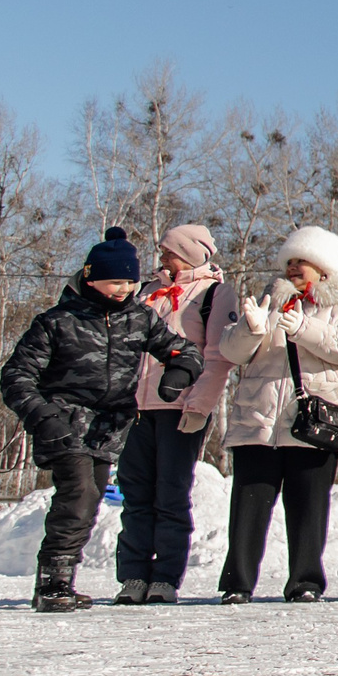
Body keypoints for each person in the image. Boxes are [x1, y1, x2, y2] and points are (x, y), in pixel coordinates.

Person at [0, 228, 204, 611]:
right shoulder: (57, 322)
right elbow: (15, 377)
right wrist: (44, 417)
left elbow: (184, 350)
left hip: (110, 428)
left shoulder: (139, 318)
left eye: (130, 281)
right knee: (78, 496)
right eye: (115, 282)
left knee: (89, 502)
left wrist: (179, 372)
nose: (125, 289)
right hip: (63, 424)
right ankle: (52, 585)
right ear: (91, 278)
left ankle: (60, 581)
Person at [216, 227, 338, 602]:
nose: (294, 267)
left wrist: (303, 327)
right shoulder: (269, 300)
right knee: (248, 507)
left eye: (303, 261)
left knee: (308, 508)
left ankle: (305, 582)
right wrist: (250, 330)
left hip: (313, 423)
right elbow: (232, 353)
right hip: (259, 422)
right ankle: (237, 584)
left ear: (325, 268)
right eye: (291, 261)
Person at [113, 223, 238, 603]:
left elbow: (217, 358)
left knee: (170, 494)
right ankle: (133, 577)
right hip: (136, 409)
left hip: (180, 409)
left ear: (190, 254)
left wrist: (199, 406)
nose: (163, 257)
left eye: (170, 251)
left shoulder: (214, 293)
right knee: (135, 495)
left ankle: (165, 576)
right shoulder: (146, 293)